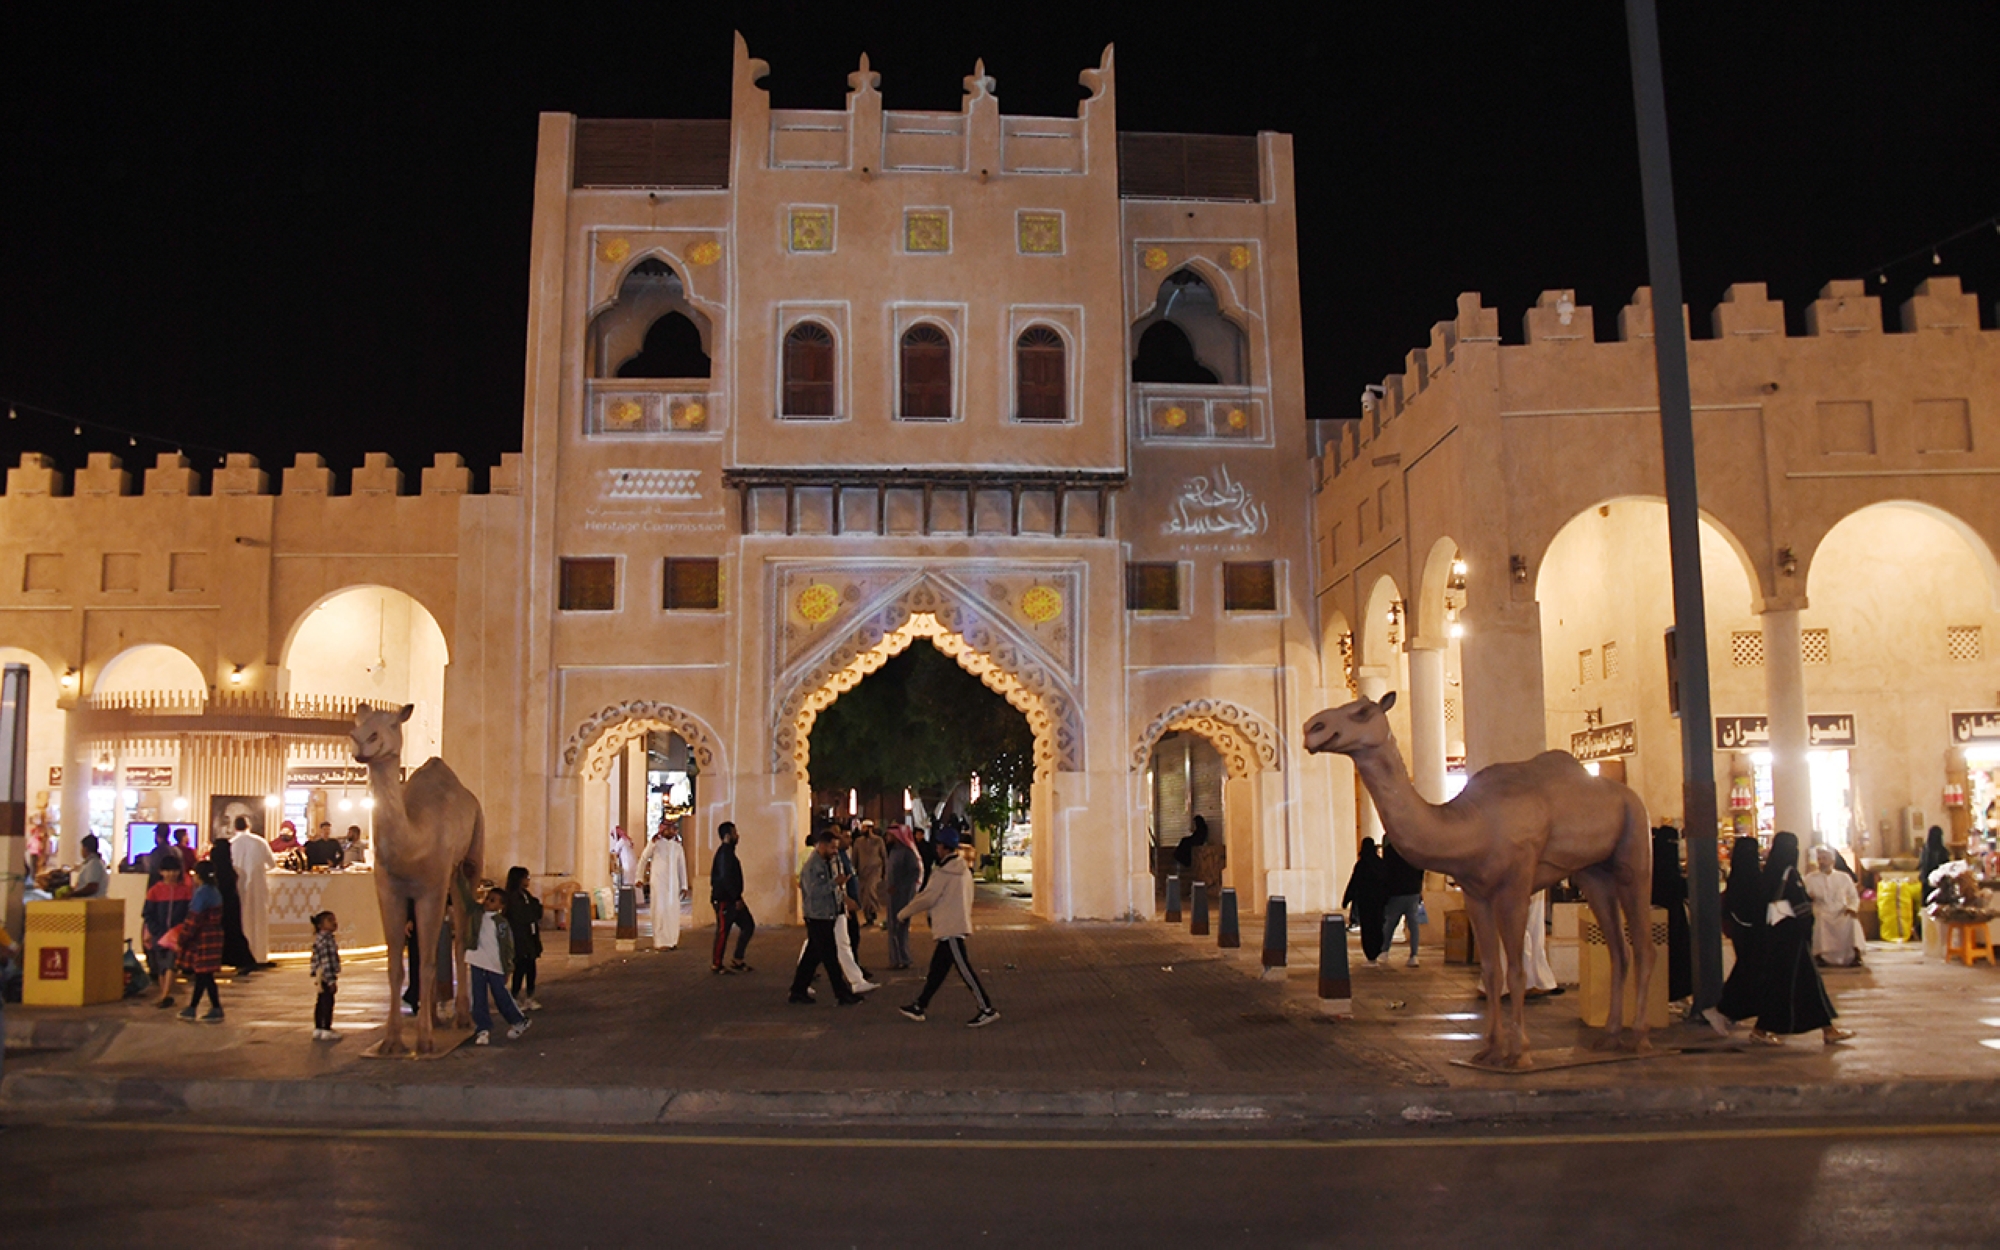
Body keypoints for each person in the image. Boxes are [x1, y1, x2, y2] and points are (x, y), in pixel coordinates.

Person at [1747, 831, 1853, 1045]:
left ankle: (1827, 1029)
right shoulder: (1790, 874)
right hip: (1791, 939)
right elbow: (1800, 906)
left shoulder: (1770, 873)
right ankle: (1761, 1030)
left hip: (1779, 936)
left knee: (1809, 984)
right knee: (1784, 984)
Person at [897, 825, 998, 1027]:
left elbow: (927, 898)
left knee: (964, 969)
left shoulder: (943, 873)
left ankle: (986, 1008)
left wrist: (903, 913)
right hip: (955, 924)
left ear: (943, 847)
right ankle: (920, 1005)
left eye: (938, 845)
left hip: (950, 928)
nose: (936, 849)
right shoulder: (962, 870)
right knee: (937, 970)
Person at [789, 830, 862, 1006]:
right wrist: (834, 884)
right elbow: (812, 892)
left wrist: (842, 903)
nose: (835, 851)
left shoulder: (831, 861)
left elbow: (836, 886)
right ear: (821, 846)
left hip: (829, 913)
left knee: (812, 955)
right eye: (832, 847)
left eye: (836, 847)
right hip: (817, 915)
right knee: (829, 956)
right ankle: (841, 993)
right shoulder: (812, 866)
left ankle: (798, 990)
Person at [1705, 835, 1766, 1033]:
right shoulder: (1752, 876)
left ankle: (1733, 1012)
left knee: (1747, 970)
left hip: (1742, 930)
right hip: (1752, 930)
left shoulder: (1736, 876)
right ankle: (1721, 1010)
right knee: (1748, 971)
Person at [467, 887, 531, 1045]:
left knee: (501, 995)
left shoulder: (501, 923)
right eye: (488, 898)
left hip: (494, 965)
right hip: (477, 961)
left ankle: (518, 1020)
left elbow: (507, 947)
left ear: (501, 906)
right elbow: (466, 900)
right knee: (478, 997)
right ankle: (482, 1029)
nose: (488, 902)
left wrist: (508, 967)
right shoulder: (477, 915)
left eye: (493, 900)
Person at [178, 860, 226, 1023]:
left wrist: (183, 937)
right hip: (214, 935)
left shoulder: (201, 893)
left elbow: (194, 918)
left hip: (203, 937)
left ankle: (194, 1008)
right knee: (205, 975)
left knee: (203, 973)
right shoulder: (215, 890)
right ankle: (210, 1007)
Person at [142, 854, 192, 1008]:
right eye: (167, 871)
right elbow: (147, 913)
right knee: (161, 964)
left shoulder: (185, 891)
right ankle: (165, 993)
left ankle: (165, 994)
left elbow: (189, 912)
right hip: (159, 933)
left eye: (174, 871)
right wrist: (154, 930)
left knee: (171, 963)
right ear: (161, 872)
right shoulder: (155, 891)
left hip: (176, 934)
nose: (171, 874)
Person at [1804, 845, 1864, 968]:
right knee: (1821, 919)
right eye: (1819, 858)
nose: (1821, 861)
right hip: (1821, 909)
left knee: (1851, 920)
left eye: (1825, 858)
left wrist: (1852, 908)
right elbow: (1805, 897)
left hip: (1841, 910)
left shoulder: (1843, 877)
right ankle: (1820, 955)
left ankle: (1854, 954)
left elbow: (1853, 897)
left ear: (1832, 860)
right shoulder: (1810, 878)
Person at [1651, 825, 1692, 1002]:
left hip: (1654, 919)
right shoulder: (1669, 869)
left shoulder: (1650, 865)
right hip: (1673, 917)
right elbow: (1678, 888)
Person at [709, 821, 755, 974]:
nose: (738, 836)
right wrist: (735, 898)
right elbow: (724, 878)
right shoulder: (724, 854)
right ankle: (717, 964)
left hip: (733, 899)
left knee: (748, 925)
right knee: (723, 931)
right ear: (728, 836)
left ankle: (738, 958)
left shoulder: (729, 853)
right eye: (735, 833)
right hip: (725, 900)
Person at [230, 820, 278, 965]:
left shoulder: (231, 844)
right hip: (258, 886)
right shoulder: (260, 842)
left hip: (239, 886)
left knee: (242, 920)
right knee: (259, 919)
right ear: (249, 826)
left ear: (234, 827)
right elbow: (272, 864)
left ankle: (242, 957)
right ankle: (260, 956)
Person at [210, 831, 255, 973]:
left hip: (222, 905)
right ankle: (243, 961)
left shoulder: (217, 870)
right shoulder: (230, 869)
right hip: (231, 905)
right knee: (234, 932)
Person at [639, 821, 689, 949]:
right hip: (658, 884)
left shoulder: (677, 847)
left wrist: (684, 885)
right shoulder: (655, 844)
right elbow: (643, 859)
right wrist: (638, 877)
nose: (671, 831)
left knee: (672, 912)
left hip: (673, 885)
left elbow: (682, 866)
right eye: (669, 829)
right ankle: (660, 942)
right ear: (663, 830)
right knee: (659, 911)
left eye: (673, 829)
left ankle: (672, 941)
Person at [1341, 836, 1390, 966]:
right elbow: (1387, 883)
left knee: (1368, 929)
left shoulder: (1362, 865)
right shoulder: (1380, 864)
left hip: (1365, 902)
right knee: (1378, 926)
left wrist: (1346, 899)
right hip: (1379, 902)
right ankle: (1377, 950)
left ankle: (1370, 955)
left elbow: (1354, 882)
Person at [1380, 840, 1426, 967]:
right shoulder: (1413, 851)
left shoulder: (1390, 852)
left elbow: (1387, 873)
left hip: (1396, 892)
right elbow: (1421, 871)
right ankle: (1414, 955)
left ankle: (1384, 951)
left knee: (1390, 923)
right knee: (1413, 924)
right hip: (1413, 891)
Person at [504, 866, 545, 1009]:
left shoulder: (526, 895)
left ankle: (529, 996)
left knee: (531, 967)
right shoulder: (512, 898)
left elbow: (536, 909)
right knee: (520, 968)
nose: (528, 880)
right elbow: (522, 915)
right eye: (526, 877)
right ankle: (514, 996)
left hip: (530, 936)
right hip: (520, 937)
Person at [884, 823, 923, 970]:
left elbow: (914, 873)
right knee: (893, 926)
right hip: (893, 895)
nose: (887, 838)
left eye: (890, 835)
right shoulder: (894, 851)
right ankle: (896, 958)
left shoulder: (907, 852)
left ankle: (903, 958)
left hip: (903, 895)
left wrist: (899, 887)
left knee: (900, 926)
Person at [309, 910, 342, 1041]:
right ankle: (326, 1029)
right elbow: (326, 960)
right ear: (320, 925)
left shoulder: (320, 939)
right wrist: (331, 980)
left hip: (319, 975)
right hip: (325, 975)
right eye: (330, 920)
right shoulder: (326, 940)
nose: (334, 923)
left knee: (321, 1001)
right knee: (328, 1002)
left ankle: (318, 1028)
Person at [1915, 825, 1951, 937]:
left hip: (1925, 884)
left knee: (1926, 908)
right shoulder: (1943, 851)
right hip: (1938, 885)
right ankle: (1938, 933)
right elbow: (1946, 867)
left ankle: (1923, 932)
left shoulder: (1924, 850)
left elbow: (1921, 866)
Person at [853, 821, 885, 926]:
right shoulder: (858, 842)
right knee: (864, 894)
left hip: (875, 871)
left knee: (870, 891)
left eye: (864, 828)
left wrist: (885, 872)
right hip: (862, 872)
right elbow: (855, 857)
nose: (863, 830)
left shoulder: (878, 841)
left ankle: (873, 910)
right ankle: (869, 915)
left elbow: (884, 856)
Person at [70, 833, 108, 898]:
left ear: (85, 848)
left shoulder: (94, 864)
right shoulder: (90, 863)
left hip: (92, 903)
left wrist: (73, 894)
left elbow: (92, 887)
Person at [609, 825, 636, 895]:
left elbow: (614, 851)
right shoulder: (626, 840)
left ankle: (628, 896)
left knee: (628, 880)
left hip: (627, 862)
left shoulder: (622, 841)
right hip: (632, 862)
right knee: (632, 880)